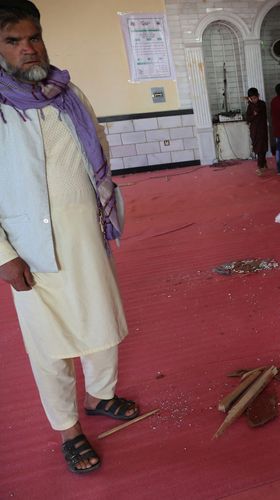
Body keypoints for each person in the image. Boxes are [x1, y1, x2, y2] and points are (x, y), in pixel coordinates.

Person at [0, 0, 139, 474]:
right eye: (13, 41)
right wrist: (3, 255)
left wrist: (104, 208)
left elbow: (97, 143)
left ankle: (101, 396)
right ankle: (68, 429)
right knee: (49, 345)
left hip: (87, 236)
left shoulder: (68, 91)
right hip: (31, 252)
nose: (28, 49)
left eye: (33, 37)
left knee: (101, 327)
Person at [245, 87, 268, 175]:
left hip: (262, 130)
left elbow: (257, 110)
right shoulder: (250, 106)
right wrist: (252, 114)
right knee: (258, 148)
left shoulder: (262, 104)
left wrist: (253, 112)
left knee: (261, 148)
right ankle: (264, 163)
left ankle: (260, 167)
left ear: (258, 96)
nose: (254, 100)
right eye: (252, 98)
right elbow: (248, 118)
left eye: (255, 98)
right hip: (254, 131)